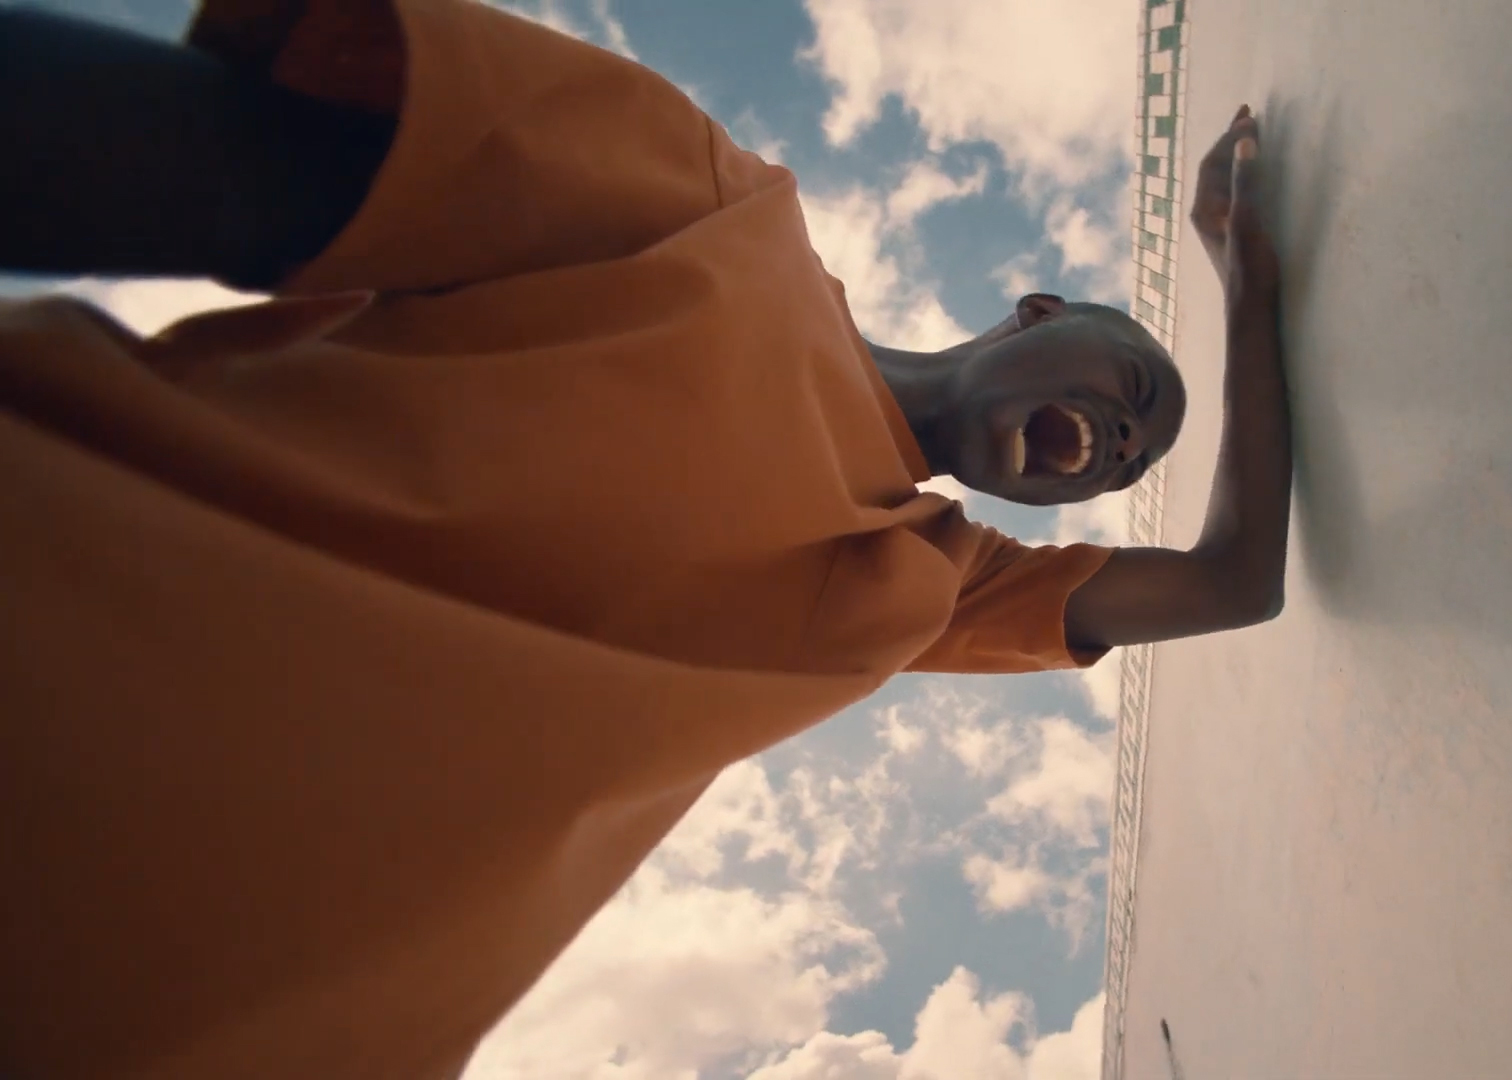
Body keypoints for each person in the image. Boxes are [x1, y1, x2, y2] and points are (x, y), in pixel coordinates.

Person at [0, 2, 1292, 1078]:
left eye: (1136, 458)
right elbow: (203, 162)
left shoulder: (930, 578)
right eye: (1134, 388)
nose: (1126, 442)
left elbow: (1233, 581)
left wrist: (1250, 293)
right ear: (1037, 312)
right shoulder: (716, 216)